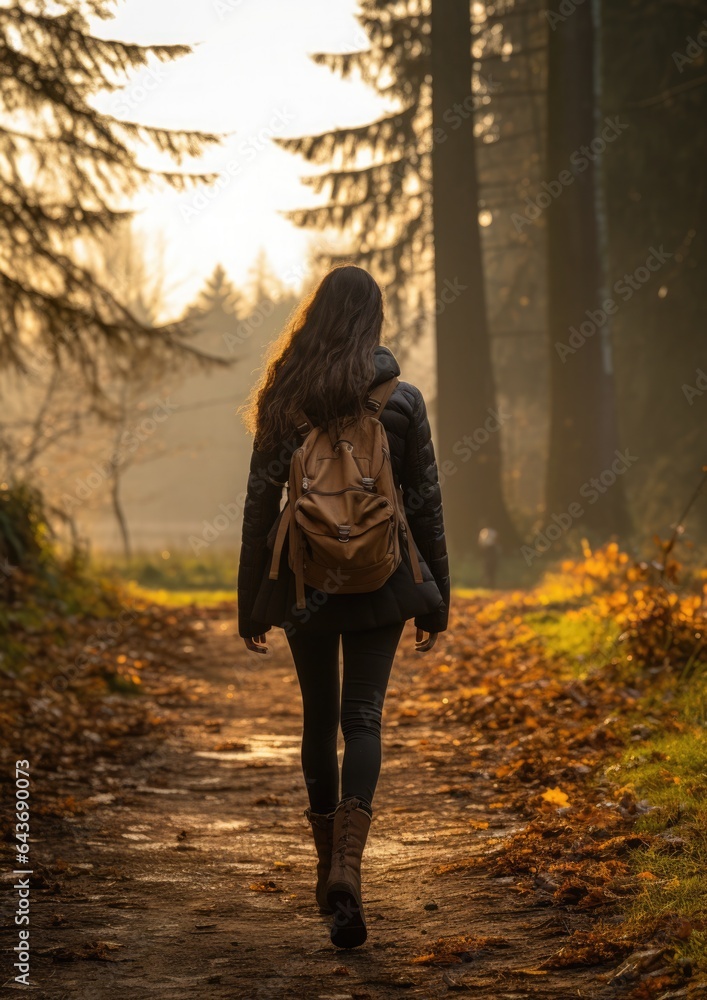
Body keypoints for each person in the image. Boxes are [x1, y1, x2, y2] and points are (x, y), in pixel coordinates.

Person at [237, 264, 450, 949]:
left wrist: (251, 600)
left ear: (314, 319)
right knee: (363, 718)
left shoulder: (283, 400)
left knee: (317, 718)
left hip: (304, 583)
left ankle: (325, 866)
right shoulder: (402, 400)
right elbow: (425, 505)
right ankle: (348, 868)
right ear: (374, 324)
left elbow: (255, 510)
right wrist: (435, 594)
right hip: (382, 579)